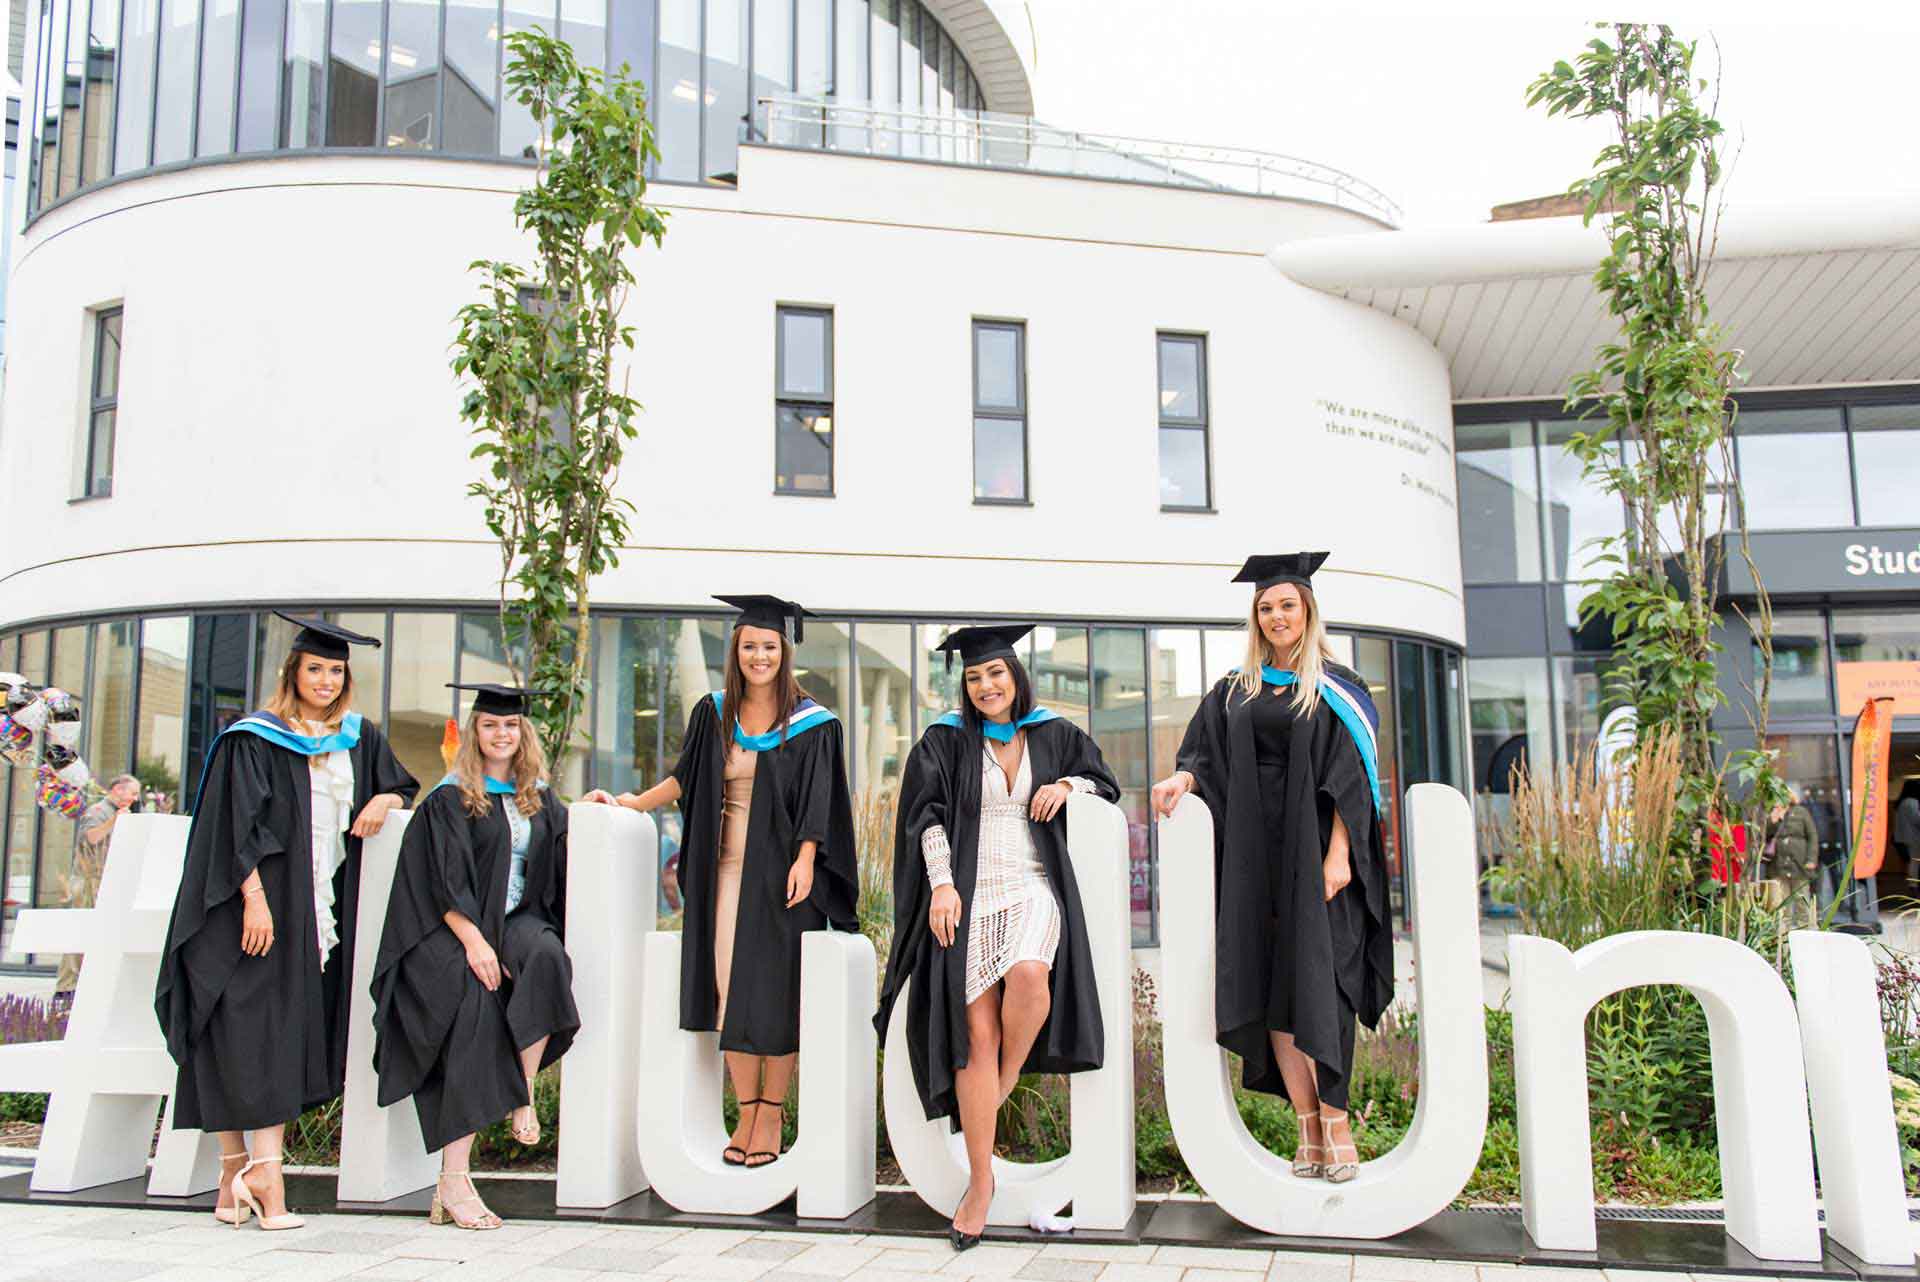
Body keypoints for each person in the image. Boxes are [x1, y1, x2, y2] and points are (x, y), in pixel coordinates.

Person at [155, 615, 418, 1231]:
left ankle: (231, 1180)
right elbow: (229, 826)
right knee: (238, 1032)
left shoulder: (359, 737)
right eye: (315, 669)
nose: (326, 679)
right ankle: (264, 1180)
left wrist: (384, 798)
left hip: (313, 911)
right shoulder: (255, 738)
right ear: (293, 672)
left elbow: (402, 784)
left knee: (267, 1032)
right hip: (255, 909)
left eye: (335, 670)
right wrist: (253, 897)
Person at [584, 595, 857, 1171]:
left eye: (770, 647)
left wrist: (808, 857)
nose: (760, 656)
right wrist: (631, 802)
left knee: (777, 993)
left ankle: (774, 1111)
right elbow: (686, 778)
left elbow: (820, 798)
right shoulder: (712, 712)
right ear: (735, 651)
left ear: (786, 654)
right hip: (724, 872)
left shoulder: (814, 722)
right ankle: (746, 1110)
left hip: (783, 875)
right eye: (750, 646)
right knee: (730, 988)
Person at [876, 624, 1120, 1251]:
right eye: (976, 677)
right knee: (974, 1037)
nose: (987, 686)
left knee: (1031, 976)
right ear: (966, 684)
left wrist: (1066, 786)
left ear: (1016, 677)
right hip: (968, 890)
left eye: (997, 674)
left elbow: (1103, 781)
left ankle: (1004, 1081)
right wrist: (942, 887)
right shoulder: (945, 741)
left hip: (1034, 885)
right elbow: (925, 814)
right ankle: (980, 1184)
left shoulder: (1054, 734)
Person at [1150, 553, 1391, 1186]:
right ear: (1255, 618)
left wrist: (1339, 854)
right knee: (1272, 986)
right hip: (1255, 859)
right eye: (1266, 607)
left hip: (1313, 857)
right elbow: (1202, 750)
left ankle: (1338, 1123)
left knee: (1324, 982)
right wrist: (1182, 777)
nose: (1277, 615)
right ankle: (1307, 1127)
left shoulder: (1340, 686)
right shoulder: (1238, 687)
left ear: (1307, 609)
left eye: (1286, 604)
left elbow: (1355, 780)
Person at [372, 684, 578, 1231]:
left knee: (549, 959)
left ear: (523, 733)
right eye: (490, 725)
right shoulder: (450, 797)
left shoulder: (540, 798)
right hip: (456, 928)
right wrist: (475, 942)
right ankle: (454, 1179)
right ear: (474, 732)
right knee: (474, 1007)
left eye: (510, 726)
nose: (501, 735)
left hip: (517, 920)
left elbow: (556, 866)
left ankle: (524, 1092)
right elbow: (440, 880)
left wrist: (601, 805)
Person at [55, 773, 140, 998]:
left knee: (99, 933)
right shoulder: (97, 812)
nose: (135, 798)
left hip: (104, 881)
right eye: (132, 793)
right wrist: (115, 821)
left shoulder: (120, 813)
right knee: (81, 931)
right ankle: (67, 987)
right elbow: (91, 837)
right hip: (86, 882)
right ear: (118, 790)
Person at [1766, 788, 1821, 929]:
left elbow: (1812, 836)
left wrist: (1811, 859)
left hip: (1799, 863)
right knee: (1783, 902)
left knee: (1802, 899)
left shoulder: (1801, 812)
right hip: (1779, 865)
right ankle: (1784, 934)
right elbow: (1765, 836)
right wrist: (1773, 820)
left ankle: (1806, 931)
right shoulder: (1773, 813)